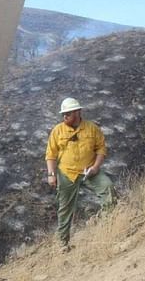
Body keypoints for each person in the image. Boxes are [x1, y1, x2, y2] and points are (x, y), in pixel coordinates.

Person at [45, 97, 116, 251]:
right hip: (67, 174)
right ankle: (62, 243)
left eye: (68, 114)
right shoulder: (58, 131)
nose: (64, 117)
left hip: (89, 171)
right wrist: (51, 174)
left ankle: (109, 226)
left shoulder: (92, 128)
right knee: (64, 208)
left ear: (77, 112)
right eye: (63, 114)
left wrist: (96, 167)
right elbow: (50, 155)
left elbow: (101, 149)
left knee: (108, 188)